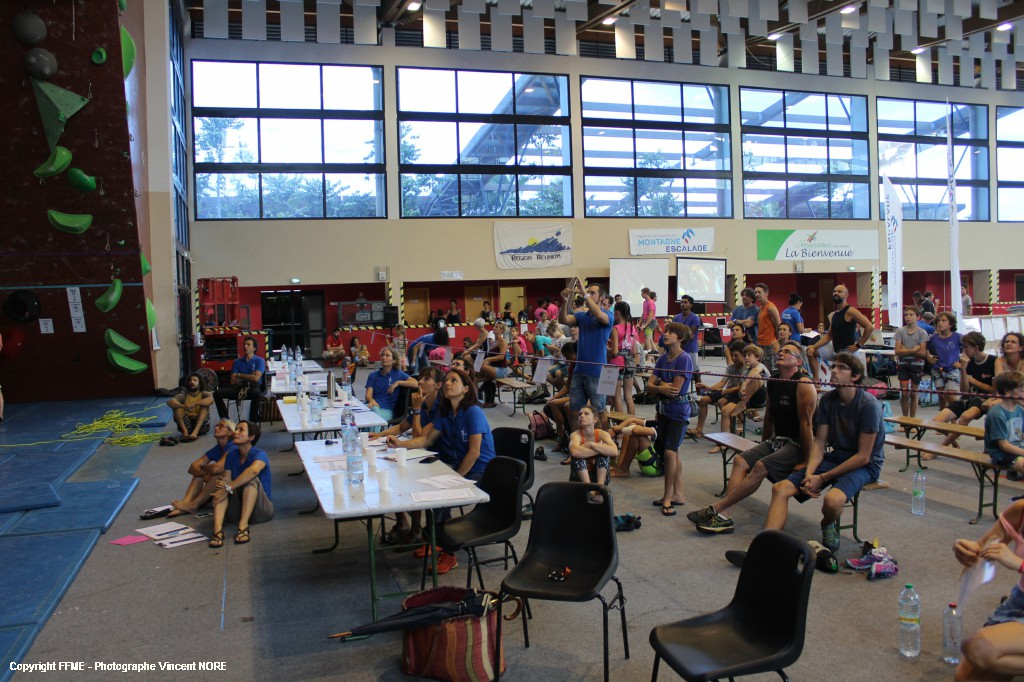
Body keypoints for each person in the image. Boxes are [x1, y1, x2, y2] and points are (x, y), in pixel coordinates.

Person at [689, 341, 815, 534]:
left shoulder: (803, 384)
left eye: (787, 352)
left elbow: (807, 425)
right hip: (777, 440)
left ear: (798, 361)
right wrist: (764, 444)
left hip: (797, 445)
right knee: (740, 461)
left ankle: (717, 508)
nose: (781, 353)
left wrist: (807, 461)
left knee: (760, 466)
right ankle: (724, 517)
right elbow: (769, 417)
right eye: (781, 350)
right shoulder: (774, 381)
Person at [765, 353, 885, 553]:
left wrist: (822, 478)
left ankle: (827, 523)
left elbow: (863, 456)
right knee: (780, 489)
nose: (834, 371)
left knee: (832, 501)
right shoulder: (829, 400)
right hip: (838, 456)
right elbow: (820, 442)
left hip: (866, 464)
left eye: (841, 368)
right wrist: (810, 473)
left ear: (855, 376)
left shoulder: (868, 406)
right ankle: (767, 546)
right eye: (833, 366)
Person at [387, 369, 497, 575]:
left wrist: (456, 479)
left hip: (483, 471)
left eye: (454, 381)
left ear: (466, 389)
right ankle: (435, 541)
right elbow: (426, 440)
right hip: (460, 467)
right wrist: (400, 444)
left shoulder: (473, 412)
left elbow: (474, 453)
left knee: (441, 499)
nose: (448, 383)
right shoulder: (446, 413)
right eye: (447, 380)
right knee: (426, 488)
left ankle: (448, 553)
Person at [951, 499, 1024, 682]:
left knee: (979, 648)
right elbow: (981, 548)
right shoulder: (1020, 510)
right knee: (966, 677)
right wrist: (965, 550)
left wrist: (1020, 564)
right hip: (1019, 601)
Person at [377, 366, 445, 546]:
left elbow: (418, 436)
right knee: (392, 471)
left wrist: (416, 409)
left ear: (438, 385)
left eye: (426, 379)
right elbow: (401, 427)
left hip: (437, 457)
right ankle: (402, 523)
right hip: (421, 453)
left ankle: (416, 529)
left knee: (410, 477)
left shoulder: (440, 408)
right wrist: (380, 435)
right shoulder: (422, 401)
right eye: (420, 378)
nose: (420, 382)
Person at [648, 322, 694, 516]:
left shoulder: (684, 359)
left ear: (680, 338)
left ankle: (667, 497)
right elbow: (649, 386)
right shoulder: (662, 358)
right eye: (666, 331)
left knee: (669, 453)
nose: (665, 334)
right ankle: (678, 493)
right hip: (663, 410)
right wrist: (660, 387)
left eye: (670, 332)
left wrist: (659, 384)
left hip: (678, 412)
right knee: (672, 453)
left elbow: (675, 390)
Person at [209, 421, 274, 548]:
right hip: (237, 511)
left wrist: (228, 488)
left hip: (261, 511)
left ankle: (243, 526)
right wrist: (224, 486)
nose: (235, 432)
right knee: (222, 485)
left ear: (251, 437)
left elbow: (253, 471)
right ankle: (217, 530)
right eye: (236, 429)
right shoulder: (231, 455)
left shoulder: (260, 454)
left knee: (251, 479)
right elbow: (227, 480)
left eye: (241, 430)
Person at [560, 280, 612, 429]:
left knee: (599, 412)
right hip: (579, 371)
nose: (587, 295)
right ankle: (578, 440)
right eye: (587, 292)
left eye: (592, 293)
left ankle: (604, 440)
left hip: (597, 372)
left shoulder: (608, 315)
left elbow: (600, 316)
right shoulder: (582, 316)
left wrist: (584, 294)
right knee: (575, 411)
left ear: (601, 298)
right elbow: (563, 319)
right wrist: (564, 302)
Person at [935, 331, 996, 448]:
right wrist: (963, 369)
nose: (963, 351)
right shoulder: (968, 362)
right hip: (969, 398)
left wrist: (973, 381)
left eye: (966, 347)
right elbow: (964, 391)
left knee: (965, 417)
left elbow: (994, 391)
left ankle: (941, 447)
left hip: (985, 399)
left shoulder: (993, 361)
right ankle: (954, 444)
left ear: (976, 348)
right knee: (936, 421)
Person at [807, 284, 875, 385]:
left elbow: (869, 327)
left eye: (839, 291)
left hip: (847, 352)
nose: (836, 293)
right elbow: (828, 335)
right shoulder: (835, 314)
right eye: (834, 291)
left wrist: (858, 345)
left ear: (846, 295)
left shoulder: (851, 311)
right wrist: (814, 346)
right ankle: (816, 381)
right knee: (810, 351)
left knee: (845, 380)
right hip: (835, 350)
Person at [169, 418, 237, 517]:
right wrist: (207, 470)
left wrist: (204, 467)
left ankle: (193, 505)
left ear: (230, 432)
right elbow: (192, 468)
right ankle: (185, 504)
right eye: (216, 425)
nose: (216, 428)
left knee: (217, 475)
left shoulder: (233, 447)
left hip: (235, 486)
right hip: (224, 483)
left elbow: (216, 468)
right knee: (198, 475)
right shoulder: (217, 448)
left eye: (221, 426)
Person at [716, 345, 769, 447]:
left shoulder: (761, 366)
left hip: (759, 399)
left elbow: (755, 372)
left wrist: (745, 384)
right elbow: (740, 388)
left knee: (756, 377)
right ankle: (724, 442)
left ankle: (742, 404)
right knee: (725, 411)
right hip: (745, 397)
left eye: (749, 355)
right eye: (745, 355)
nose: (746, 358)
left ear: (757, 357)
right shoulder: (745, 371)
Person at [692, 341, 747, 439]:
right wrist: (708, 387)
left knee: (722, 402)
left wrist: (726, 391)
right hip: (727, 391)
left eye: (736, 356)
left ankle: (731, 431)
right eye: (732, 355)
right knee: (703, 400)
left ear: (743, 355)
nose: (733, 358)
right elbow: (722, 383)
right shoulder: (730, 367)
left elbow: (740, 387)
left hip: (737, 394)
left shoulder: (746, 369)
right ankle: (699, 430)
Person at [213, 336, 266, 423]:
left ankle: (252, 422)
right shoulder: (237, 362)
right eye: (244, 344)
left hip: (253, 387)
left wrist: (239, 375)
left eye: (248, 344)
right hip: (239, 387)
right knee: (217, 393)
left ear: (254, 348)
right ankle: (226, 420)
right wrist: (250, 376)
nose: (245, 346)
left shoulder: (260, 360)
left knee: (256, 393)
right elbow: (233, 380)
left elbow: (256, 378)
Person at [983, 371, 1024, 476]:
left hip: (1018, 449)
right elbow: (1003, 446)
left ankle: (1014, 473)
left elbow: (1022, 435)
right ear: (1007, 391)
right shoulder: (997, 414)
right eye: (1022, 391)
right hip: (1002, 455)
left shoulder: (1020, 410)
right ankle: (1014, 470)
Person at [894, 306, 930, 418]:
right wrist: (913, 350)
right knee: (904, 393)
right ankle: (905, 419)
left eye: (911, 315)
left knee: (914, 393)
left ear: (917, 317)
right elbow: (897, 351)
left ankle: (912, 419)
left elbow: (922, 353)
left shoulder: (922, 333)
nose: (908, 317)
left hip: (917, 365)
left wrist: (905, 350)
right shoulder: (900, 331)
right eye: (906, 315)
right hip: (903, 365)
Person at [568, 406, 617, 485]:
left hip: (598, 476)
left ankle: (600, 487)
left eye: (586, 414)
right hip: (580, 480)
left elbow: (614, 451)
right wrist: (598, 449)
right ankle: (588, 487)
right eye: (580, 414)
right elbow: (574, 452)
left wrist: (591, 445)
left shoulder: (602, 434)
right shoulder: (575, 435)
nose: (582, 416)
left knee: (603, 456)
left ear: (595, 419)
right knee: (578, 458)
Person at [364, 347, 415, 421]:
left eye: (387, 356)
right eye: (382, 355)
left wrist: (398, 383)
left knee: (374, 416)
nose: (384, 357)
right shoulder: (373, 375)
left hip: (386, 410)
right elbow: (368, 394)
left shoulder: (398, 374)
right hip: (372, 406)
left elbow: (416, 383)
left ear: (394, 360)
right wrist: (371, 400)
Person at [927, 311, 963, 412]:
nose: (940, 323)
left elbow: (968, 348)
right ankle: (943, 417)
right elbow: (925, 348)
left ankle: (953, 417)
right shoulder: (933, 338)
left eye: (944, 321)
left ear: (950, 324)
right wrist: (928, 357)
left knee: (951, 397)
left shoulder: (958, 337)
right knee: (941, 396)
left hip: (952, 369)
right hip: (937, 369)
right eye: (938, 321)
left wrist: (962, 363)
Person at [610, 301, 641, 415]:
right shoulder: (632, 328)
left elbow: (614, 352)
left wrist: (607, 349)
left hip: (617, 363)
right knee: (628, 396)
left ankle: (620, 423)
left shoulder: (616, 328)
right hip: (630, 363)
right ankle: (631, 421)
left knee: (617, 396)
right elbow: (633, 350)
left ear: (618, 312)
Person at [167, 372, 213, 442]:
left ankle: (195, 433)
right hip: (187, 425)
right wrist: (183, 406)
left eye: (195, 380)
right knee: (177, 407)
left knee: (204, 406)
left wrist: (194, 403)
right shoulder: (184, 395)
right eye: (191, 380)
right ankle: (185, 432)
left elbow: (211, 400)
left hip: (202, 427)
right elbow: (170, 402)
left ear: (200, 384)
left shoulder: (204, 394)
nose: (192, 382)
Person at [753, 283, 781, 372]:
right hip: (760, 343)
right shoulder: (761, 308)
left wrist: (777, 342)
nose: (757, 294)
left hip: (769, 345)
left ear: (766, 294)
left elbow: (778, 325)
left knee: (769, 372)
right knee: (762, 370)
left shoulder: (770, 308)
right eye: (755, 292)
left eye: (759, 292)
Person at [673, 295, 702, 377]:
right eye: (681, 302)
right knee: (678, 371)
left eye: (685, 302)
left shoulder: (695, 318)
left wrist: (679, 339)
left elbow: (690, 334)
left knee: (695, 372)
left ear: (691, 305)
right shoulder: (676, 318)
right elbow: (674, 332)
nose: (682, 304)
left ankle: (699, 386)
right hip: (678, 349)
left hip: (691, 349)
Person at [638, 287, 659, 352]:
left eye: (642, 293)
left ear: (646, 293)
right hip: (646, 321)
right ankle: (656, 353)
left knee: (647, 339)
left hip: (651, 322)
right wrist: (639, 323)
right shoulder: (644, 302)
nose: (641, 294)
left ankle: (649, 354)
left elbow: (651, 315)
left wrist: (645, 325)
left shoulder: (651, 302)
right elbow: (644, 313)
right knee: (650, 339)